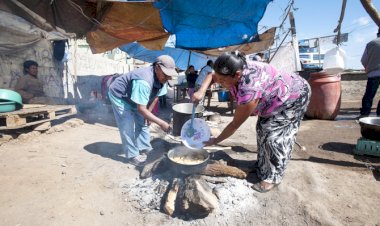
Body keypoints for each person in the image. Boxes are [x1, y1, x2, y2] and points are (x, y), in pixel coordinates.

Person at [192, 51, 311, 193]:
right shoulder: (234, 68)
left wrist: (216, 140)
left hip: (293, 96)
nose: (220, 83)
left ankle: (272, 177)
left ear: (237, 75)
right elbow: (212, 75)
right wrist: (201, 91)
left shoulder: (249, 89)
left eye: (223, 81)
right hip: (273, 97)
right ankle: (263, 166)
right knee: (262, 129)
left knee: (275, 138)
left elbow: (234, 124)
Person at [108, 55, 176, 166]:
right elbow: (141, 109)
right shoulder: (144, 80)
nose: (168, 77)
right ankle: (132, 155)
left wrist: (148, 114)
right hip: (120, 96)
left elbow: (156, 96)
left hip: (135, 99)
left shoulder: (163, 79)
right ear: (157, 67)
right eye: (166, 74)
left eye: (169, 75)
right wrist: (161, 123)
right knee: (127, 125)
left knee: (143, 123)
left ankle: (144, 147)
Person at [358, 29, 380, 119]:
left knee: (369, 95)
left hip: (373, 74)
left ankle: (364, 114)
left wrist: (368, 67)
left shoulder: (371, 44)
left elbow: (363, 60)